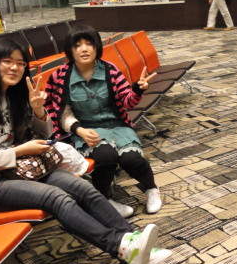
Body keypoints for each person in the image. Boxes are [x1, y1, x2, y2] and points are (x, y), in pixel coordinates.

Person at [0, 39, 171, 264]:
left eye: (20, 63)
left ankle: (134, 240)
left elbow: (44, 133)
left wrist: (38, 111)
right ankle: (120, 247)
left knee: (83, 188)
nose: (15, 68)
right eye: (7, 61)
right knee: (57, 197)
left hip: (20, 169)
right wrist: (19, 151)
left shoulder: (13, 95)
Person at [44, 25, 163, 218]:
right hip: (86, 130)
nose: (84, 49)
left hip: (117, 126)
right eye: (77, 45)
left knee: (131, 159)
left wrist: (137, 90)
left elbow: (127, 102)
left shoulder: (110, 70)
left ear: (96, 47)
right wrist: (79, 130)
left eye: (89, 44)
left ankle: (151, 189)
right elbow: (62, 114)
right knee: (105, 156)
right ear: (70, 50)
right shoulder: (61, 77)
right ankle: (105, 200)